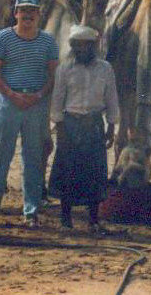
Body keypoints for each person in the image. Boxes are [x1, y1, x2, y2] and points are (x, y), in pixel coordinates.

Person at [0, 0, 59, 228]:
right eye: (23, 11)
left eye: (32, 11)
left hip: (36, 104)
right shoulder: (3, 38)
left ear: (38, 15)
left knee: (33, 160)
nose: (27, 15)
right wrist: (12, 95)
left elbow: (53, 75)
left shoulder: (48, 41)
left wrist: (38, 95)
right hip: (8, 103)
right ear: (16, 13)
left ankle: (31, 211)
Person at [48, 24, 119, 232]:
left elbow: (111, 98)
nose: (81, 49)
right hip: (70, 124)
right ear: (72, 46)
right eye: (77, 45)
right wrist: (59, 127)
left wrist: (111, 127)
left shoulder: (105, 69)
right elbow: (57, 100)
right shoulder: (64, 69)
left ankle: (93, 220)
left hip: (94, 125)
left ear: (93, 46)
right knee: (68, 171)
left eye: (85, 45)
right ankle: (66, 219)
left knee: (95, 172)